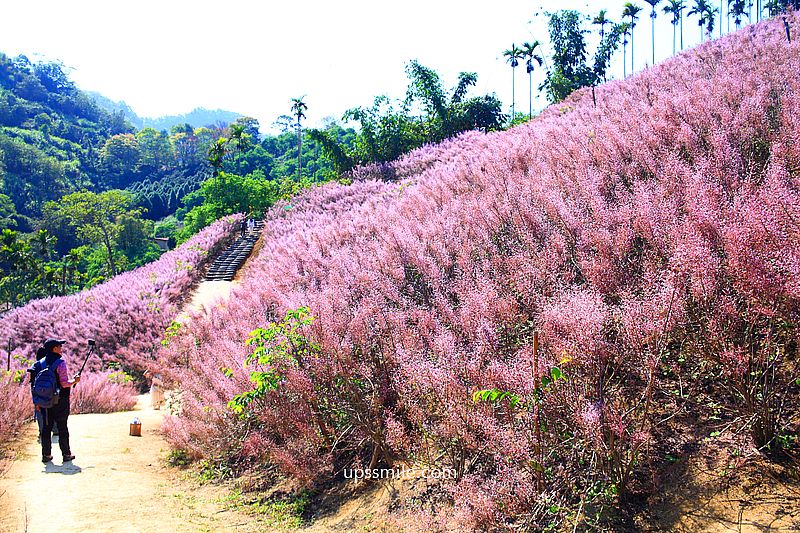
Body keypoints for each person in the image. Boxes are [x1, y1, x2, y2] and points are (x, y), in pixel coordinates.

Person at [34, 338, 80, 463]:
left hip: (44, 401)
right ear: (54, 348)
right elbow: (64, 383)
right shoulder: (60, 363)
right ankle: (66, 454)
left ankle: (46, 455)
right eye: (59, 346)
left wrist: (37, 402)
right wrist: (75, 381)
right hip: (60, 400)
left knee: (46, 428)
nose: (61, 348)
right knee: (62, 427)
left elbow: (34, 385)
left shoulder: (39, 364)